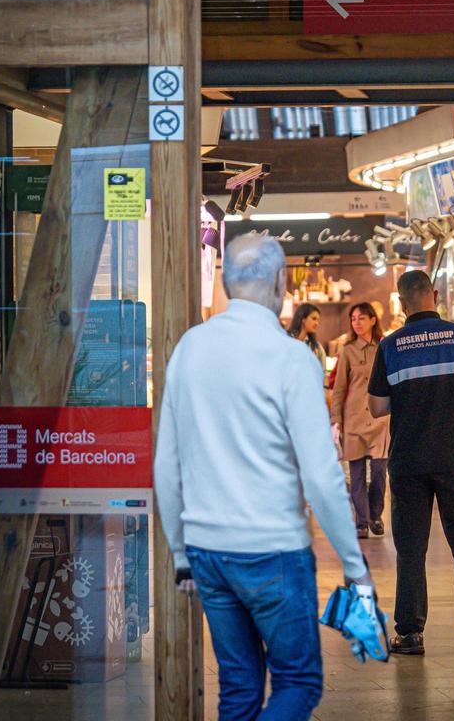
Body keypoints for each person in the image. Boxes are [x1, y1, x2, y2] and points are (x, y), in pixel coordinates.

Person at [154, 234, 373, 721]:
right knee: (298, 683)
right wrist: (355, 567)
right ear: (281, 282)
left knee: (238, 687)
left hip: (209, 552)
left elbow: (166, 464)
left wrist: (180, 552)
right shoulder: (291, 358)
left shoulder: (190, 348)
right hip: (274, 550)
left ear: (228, 283)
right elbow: (320, 475)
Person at [367, 270, 454, 656]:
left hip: (409, 459)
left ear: (402, 302)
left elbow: (376, 407)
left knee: (410, 548)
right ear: (435, 295)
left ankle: (409, 633)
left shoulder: (390, 345)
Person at [332, 302, 391, 539]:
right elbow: (339, 389)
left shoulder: (384, 348)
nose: (357, 323)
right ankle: (361, 522)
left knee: (379, 472)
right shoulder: (347, 351)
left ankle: (376, 515)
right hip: (354, 418)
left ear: (373, 320)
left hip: (380, 419)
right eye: (353, 319)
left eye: (362, 318)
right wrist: (336, 419)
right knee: (356, 475)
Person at [288, 302, 327, 373]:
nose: (316, 323)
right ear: (303, 319)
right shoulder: (286, 341)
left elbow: (323, 373)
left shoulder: (316, 348)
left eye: (318, 320)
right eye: (314, 318)